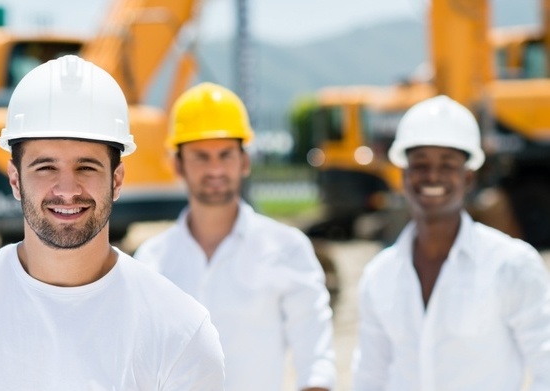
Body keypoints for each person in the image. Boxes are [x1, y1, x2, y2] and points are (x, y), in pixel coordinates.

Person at [0, 55, 225, 390]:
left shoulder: (179, 331)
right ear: (14, 179)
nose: (68, 190)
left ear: (117, 181)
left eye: (86, 167)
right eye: (45, 167)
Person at [134, 82, 336, 391]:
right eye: (201, 156)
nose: (215, 168)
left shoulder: (287, 249)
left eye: (225, 154)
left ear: (244, 161)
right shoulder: (151, 260)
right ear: (177, 164)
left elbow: (316, 360)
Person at [351, 95, 550, 391]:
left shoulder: (511, 265)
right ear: (404, 175)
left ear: (468, 178)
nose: (432, 176)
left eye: (447, 165)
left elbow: (545, 363)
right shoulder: (380, 275)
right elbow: (370, 375)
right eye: (420, 164)